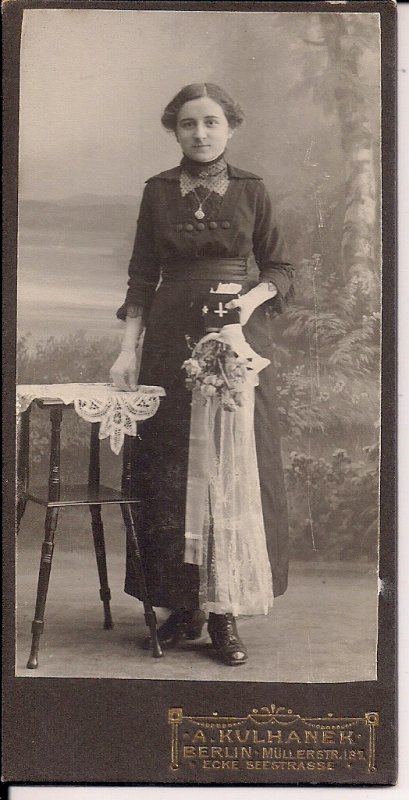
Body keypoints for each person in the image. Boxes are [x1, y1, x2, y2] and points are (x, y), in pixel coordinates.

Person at [110, 83, 294, 666]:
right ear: (175, 129)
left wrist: (248, 303)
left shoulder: (252, 190)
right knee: (172, 469)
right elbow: (142, 274)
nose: (200, 133)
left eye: (211, 122)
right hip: (170, 338)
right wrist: (127, 350)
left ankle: (225, 613)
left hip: (236, 341)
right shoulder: (157, 192)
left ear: (230, 127)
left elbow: (282, 269)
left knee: (230, 467)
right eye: (188, 124)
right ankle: (181, 608)